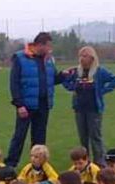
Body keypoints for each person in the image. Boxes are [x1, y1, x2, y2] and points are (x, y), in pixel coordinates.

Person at [5, 32, 68, 167]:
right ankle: (10, 165)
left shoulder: (49, 59)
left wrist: (62, 75)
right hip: (26, 105)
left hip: (43, 104)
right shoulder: (20, 58)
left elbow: (52, 79)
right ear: (40, 45)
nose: (50, 49)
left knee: (39, 139)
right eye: (48, 46)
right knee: (19, 136)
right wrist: (19, 104)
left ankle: (38, 166)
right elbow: (14, 83)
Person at [61, 46, 115, 166]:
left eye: (84, 56)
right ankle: (84, 162)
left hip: (94, 109)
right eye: (80, 56)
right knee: (83, 137)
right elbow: (65, 80)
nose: (81, 59)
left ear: (92, 58)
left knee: (95, 137)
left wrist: (102, 91)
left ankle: (99, 162)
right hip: (79, 109)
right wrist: (72, 87)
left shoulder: (99, 72)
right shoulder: (76, 71)